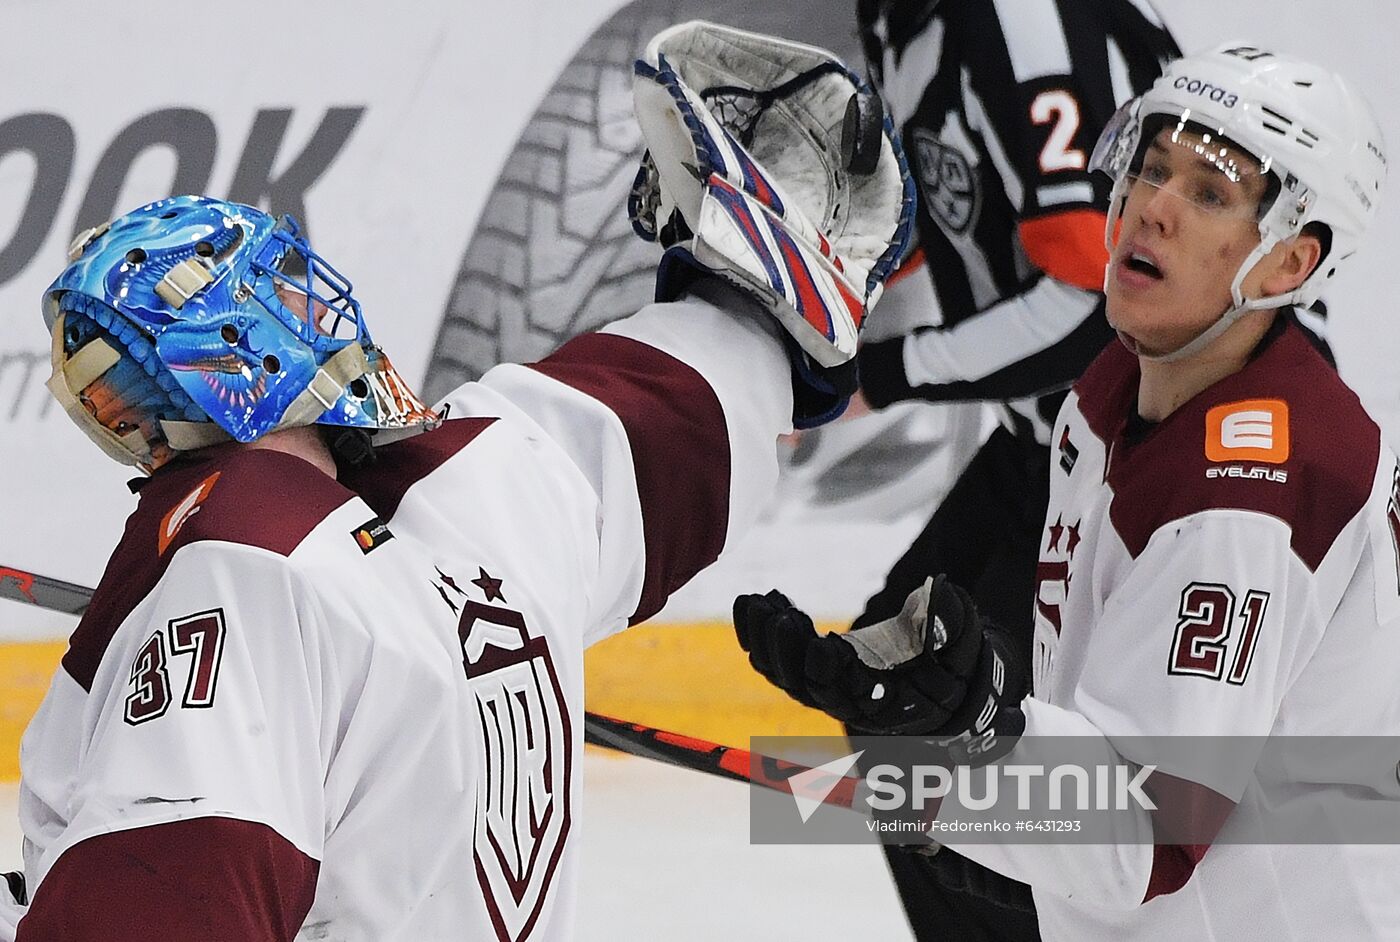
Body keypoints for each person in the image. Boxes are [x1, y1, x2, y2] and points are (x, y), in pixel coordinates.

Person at [0, 21, 913, 940]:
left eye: (128, 388)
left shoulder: (237, 566)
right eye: (102, 404)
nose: (129, 428)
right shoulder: (495, 478)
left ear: (226, 359)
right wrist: (762, 287)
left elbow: (164, 905)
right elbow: (699, 392)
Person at [734, 43, 1398, 939]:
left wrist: (969, 748)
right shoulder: (1109, 394)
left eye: (1210, 193)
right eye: (1152, 167)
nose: (1152, 207)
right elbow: (1123, 747)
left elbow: (1147, 837)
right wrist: (997, 811)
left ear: (1287, 264)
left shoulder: (1249, 498)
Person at [825, 0, 1181, 936]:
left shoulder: (1026, 25)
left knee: (946, 711)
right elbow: (965, 212)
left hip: (1159, 453)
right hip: (1064, 442)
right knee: (894, 674)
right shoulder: (910, 18)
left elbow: (1091, 303)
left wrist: (885, 373)